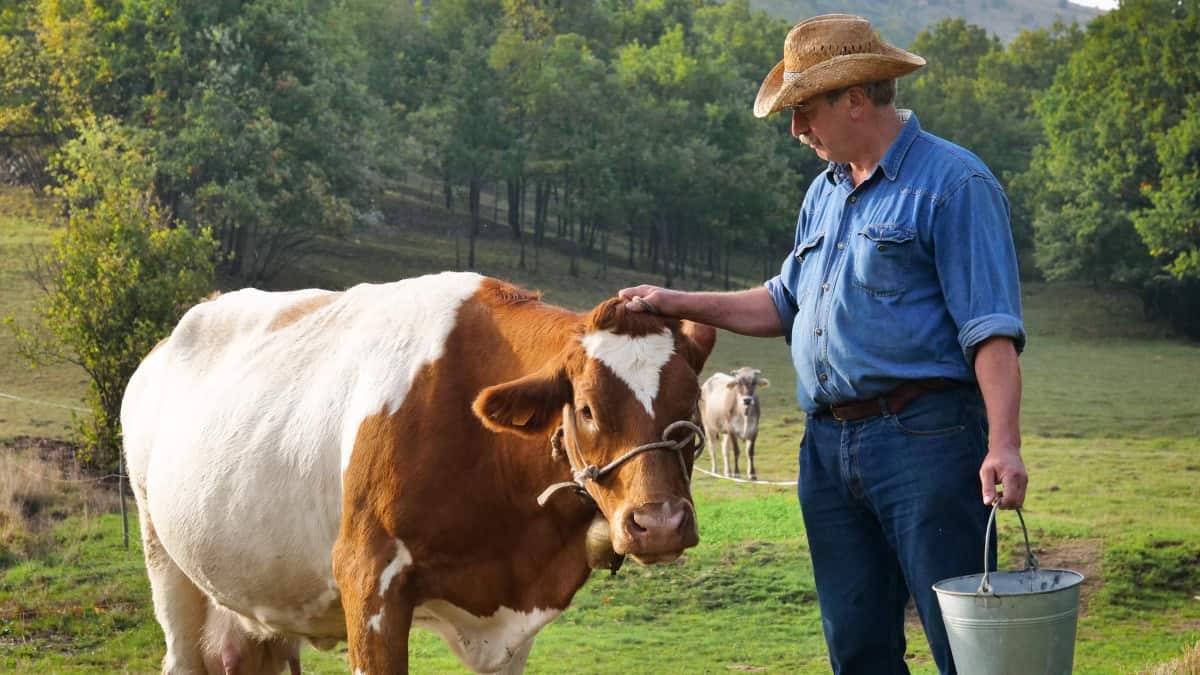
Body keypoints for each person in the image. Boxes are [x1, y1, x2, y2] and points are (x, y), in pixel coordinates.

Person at [619, 13, 1028, 675]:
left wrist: (1003, 443)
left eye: (804, 110)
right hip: (828, 452)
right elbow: (783, 302)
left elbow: (991, 329)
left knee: (970, 643)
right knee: (857, 648)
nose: (796, 129)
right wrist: (673, 300)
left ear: (856, 100)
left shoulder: (954, 185)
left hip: (925, 441)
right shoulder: (825, 193)